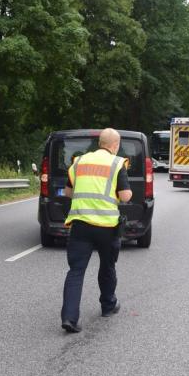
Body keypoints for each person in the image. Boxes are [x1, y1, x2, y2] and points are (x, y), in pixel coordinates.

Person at [60, 128, 133, 333]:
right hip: (106, 227)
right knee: (107, 266)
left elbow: (68, 191)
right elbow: (126, 196)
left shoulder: (79, 162)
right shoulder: (117, 163)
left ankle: (69, 318)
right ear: (115, 145)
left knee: (76, 271)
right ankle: (108, 306)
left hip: (80, 224)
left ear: (99, 143)